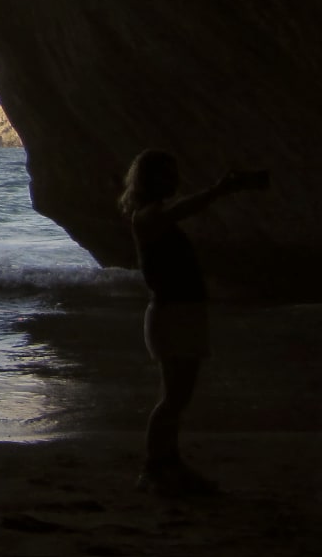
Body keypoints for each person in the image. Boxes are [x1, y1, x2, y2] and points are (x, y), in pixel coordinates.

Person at [119, 148, 268, 496]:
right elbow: (179, 208)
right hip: (172, 315)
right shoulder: (146, 217)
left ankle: (169, 464)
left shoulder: (154, 216)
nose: (174, 180)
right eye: (166, 174)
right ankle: (153, 469)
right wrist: (220, 190)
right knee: (173, 398)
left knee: (176, 397)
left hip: (181, 313)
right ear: (150, 180)